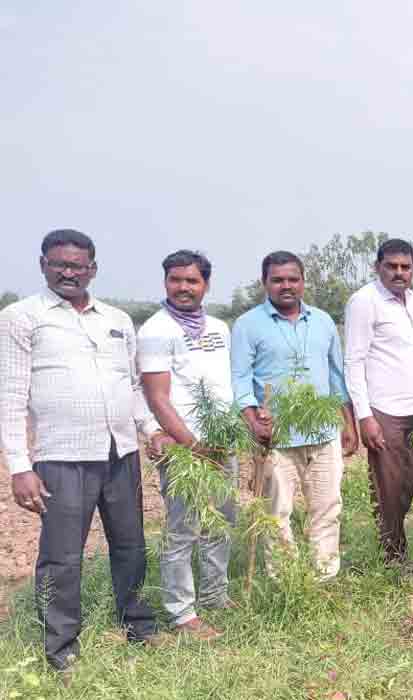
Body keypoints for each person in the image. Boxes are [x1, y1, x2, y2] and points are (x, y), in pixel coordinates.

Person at [0, 230, 160, 670]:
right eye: (59, 264)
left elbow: (132, 387)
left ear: (92, 268)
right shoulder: (21, 317)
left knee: (131, 547)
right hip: (62, 457)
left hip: (120, 453)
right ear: (43, 265)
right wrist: (19, 465)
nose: (68, 272)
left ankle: (139, 625)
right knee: (61, 557)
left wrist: (150, 430)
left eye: (77, 265)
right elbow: (10, 397)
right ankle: (61, 649)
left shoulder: (116, 319)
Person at [231, 250, 356, 581]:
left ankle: (323, 576)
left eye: (293, 279)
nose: (286, 286)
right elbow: (240, 380)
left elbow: (335, 376)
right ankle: (286, 580)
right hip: (276, 437)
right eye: (278, 280)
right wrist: (252, 421)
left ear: (303, 282)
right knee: (277, 513)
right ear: (265, 283)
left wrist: (347, 422)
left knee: (327, 508)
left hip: (323, 433)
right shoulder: (247, 325)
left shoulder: (323, 321)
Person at [138, 250, 236, 641]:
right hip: (185, 449)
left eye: (191, 280)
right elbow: (158, 398)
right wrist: (190, 444)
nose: (183, 287)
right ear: (165, 282)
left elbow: (223, 385)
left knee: (222, 520)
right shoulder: (155, 331)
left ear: (206, 285)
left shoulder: (219, 328)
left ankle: (216, 593)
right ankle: (182, 613)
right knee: (183, 529)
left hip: (221, 441)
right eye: (175, 279)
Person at [343, 238, 413, 565]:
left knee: (408, 485)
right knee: (388, 488)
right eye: (391, 266)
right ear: (377, 267)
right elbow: (353, 361)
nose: (398, 273)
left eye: (405, 267)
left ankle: (397, 545)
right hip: (386, 411)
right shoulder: (364, 301)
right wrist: (365, 417)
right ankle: (394, 559)